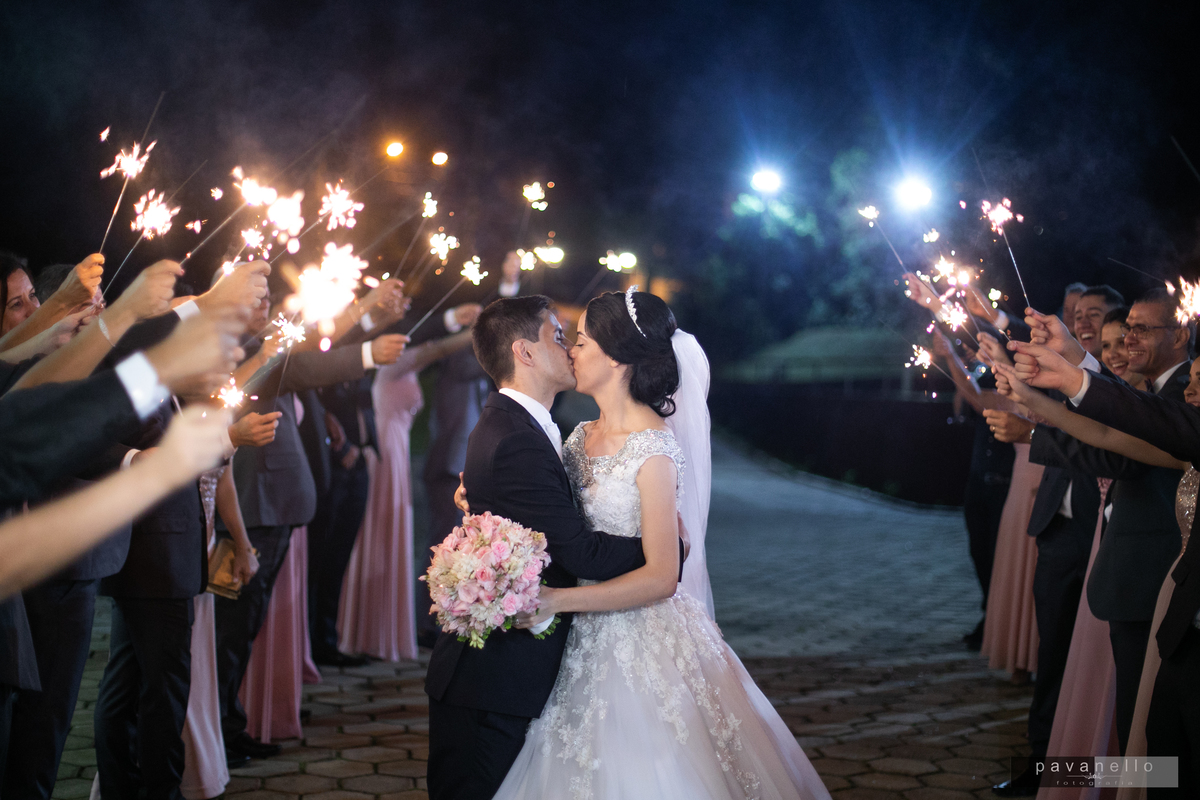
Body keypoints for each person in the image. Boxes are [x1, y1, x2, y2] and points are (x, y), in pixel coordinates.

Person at [485, 289, 829, 799]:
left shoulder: (654, 448)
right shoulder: (578, 437)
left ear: (616, 357)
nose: (572, 352)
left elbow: (663, 577)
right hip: (581, 641)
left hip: (642, 636)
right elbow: (544, 507)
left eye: (581, 341)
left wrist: (559, 600)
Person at [424, 294, 687, 800]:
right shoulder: (523, 436)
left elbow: (543, 510)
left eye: (577, 339)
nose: (569, 349)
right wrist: (669, 550)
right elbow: (581, 550)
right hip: (494, 680)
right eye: (561, 337)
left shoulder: (542, 431)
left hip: (553, 659)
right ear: (524, 352)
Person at [1023, 289, 1188, 754]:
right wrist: (1065, 368)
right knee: (1136, 721)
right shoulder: (1155, 392)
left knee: (1154, 731)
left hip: (1153, 579)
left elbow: (1118, 443)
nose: (1129, 340)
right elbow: (1116, 416)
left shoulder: (1177, 397)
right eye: (1127, 328)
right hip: (1128, 575)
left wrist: (1037, 426)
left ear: (1181, 335)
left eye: (1141, 329)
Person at [338, 329, 474, 661]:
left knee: (391, 537)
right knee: (379, 536)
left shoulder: (405, 365)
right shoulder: (392, 364)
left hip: (396, 449)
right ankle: (365, 631)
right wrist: (477, 327)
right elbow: (436, 347)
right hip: (385, 451)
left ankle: (379, 631)